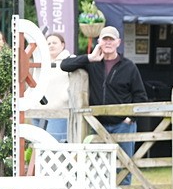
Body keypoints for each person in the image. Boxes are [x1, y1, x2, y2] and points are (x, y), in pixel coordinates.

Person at [60, 25, 148, 161]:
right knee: (98, 164)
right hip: (97, 124)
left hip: (123, 125)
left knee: (124, 163)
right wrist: (90, 57)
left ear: (118, 42)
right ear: (99, 42)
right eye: (105, 39)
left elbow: (140, 96)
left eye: (111, 40)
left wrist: (129, 119)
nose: (108, 43)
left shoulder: (129, 66)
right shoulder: (92, 63)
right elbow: (65, 65)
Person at [32, 32, 72, 142]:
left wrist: (65, 97)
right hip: (38, 111)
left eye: (54, 43)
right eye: (48, 43)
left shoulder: (70, 60)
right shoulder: (40, 62)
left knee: (54, 145)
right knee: (37, 145)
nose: (51, 45)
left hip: (58, 111)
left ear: (62, 45)